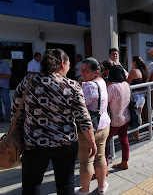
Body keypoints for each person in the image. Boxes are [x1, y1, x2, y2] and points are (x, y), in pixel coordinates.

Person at [12, 49, 97, 195]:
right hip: (65, 144)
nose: (69, 67)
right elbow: (83, 118)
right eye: (69, 64)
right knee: (65, 185)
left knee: (31, 184)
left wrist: (18, 134)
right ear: (62, 64)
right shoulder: (73, 85)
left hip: (34, 143)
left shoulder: (28, 82)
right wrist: (92, 141)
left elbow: (15, 113)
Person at [75, 58, 110, 195]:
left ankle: (84, 190)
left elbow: (77, 104)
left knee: (86, 161)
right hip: (104, 124)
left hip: (89, 129)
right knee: (100, 156)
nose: (82, 72)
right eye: (81, 68)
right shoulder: (101, 82)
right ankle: (101, 187)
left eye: (86, 70)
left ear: (95, 72)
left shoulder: (87, 87)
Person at [106, 65, 131, 170]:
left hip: (114, 120)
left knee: (103, 142)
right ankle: (124, 162)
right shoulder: (126, 84)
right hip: (126, 117)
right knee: (124, 139)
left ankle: (104, 168)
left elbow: (105, 102)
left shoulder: (111, 88)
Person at [126, 56, 148, 140]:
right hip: (142, 96)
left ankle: (134, 134)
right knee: (139, 115)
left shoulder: (133, 71)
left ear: (134, 62)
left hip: (134, 96)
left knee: (133, 116)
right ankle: (136, 134)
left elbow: (127, 83)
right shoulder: (144, 71)